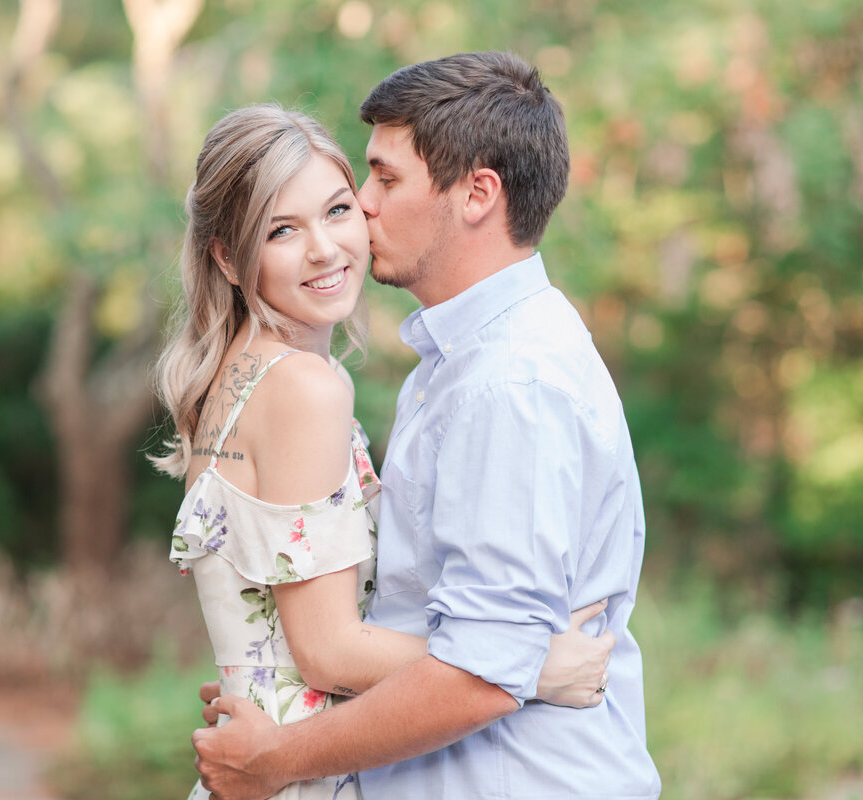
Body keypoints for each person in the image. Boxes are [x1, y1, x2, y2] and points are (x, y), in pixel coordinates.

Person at [190, 53, 662, 800]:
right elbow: (406, 650)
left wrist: (273, 755)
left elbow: (480, 673)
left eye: (382, 181)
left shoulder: (510, 382)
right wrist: (534, 667)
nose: (363, 207)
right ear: (230, 254)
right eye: (284, 227)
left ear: (477, 194)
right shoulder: (447, 366)